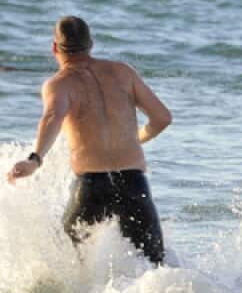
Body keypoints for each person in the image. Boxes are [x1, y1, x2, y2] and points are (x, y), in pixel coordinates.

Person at [5, 17, 171, 265]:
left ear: (54, 48)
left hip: (92, 187)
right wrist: (136, 139)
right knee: (156, 266)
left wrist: (34, 160)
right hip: (134, 184)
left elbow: (52, 117)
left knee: (69, 265)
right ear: (91, 44)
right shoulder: (123, 72)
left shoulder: (59, 84)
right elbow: (162, 118)